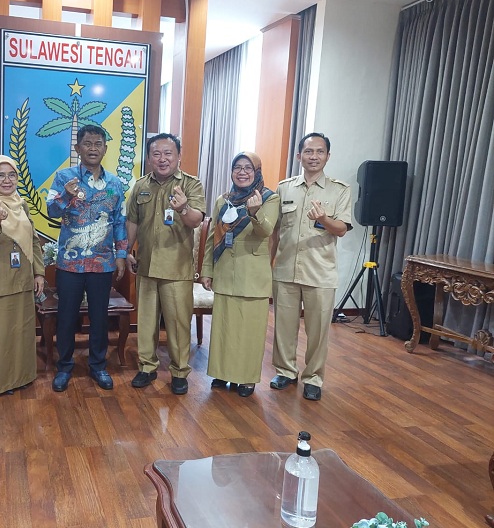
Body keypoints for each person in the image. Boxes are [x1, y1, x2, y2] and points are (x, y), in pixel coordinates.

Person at [270, 132, 352, 401]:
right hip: (285, 268)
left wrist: (325, 219)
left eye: (319, 152)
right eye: (308, 151)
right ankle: (286, 371)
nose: (313, 156)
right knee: (284, 325)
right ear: (299, 156)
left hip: (320, 270)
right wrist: (269, 262)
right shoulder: (285, 188)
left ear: (328, 156)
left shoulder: (340, 190)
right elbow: (276, 230)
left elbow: (341, 229)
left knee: (317, 330)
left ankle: (313, 377)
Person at [46, 124, 128, 392]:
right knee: (67, 315)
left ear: (105, 148)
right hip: (70, 262)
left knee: (99, 316)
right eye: (88, 143)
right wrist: (66, 196)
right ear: (78, 148)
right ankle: (65, 365)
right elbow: (52, 211)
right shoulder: (63, 177)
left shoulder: (115, 184)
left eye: (98, 144)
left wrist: (121, 255)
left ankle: (98, 365)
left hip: (102, 262)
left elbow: (119, 221)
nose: (93, 148)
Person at [126, 133, 206, 395]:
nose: (162, 159)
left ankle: (180, 371)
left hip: (176, 268)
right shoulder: (140, 186)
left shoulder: (191, 185)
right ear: (149, 158)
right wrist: (126, 250)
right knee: (146, 321)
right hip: (146, 264)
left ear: (178, 156)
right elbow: (133, 222)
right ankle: (147, 367)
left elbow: (196, 221)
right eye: (156, 154)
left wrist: (183, 208)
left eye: (168, 153)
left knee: (178, 323)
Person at [199, 152, 279, 397]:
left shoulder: (269, 198)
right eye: (237, 167)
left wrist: (254, 213)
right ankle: (222, 373)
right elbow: (214, 237)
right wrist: (206, 270)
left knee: (249, 330)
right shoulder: (224, 200)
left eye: (248, 168)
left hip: (252, 274)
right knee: (224, 327)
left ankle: (245, 379)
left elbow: (266, 231)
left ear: (257, 172)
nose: (242, 172)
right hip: (224, 271)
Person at [0, 155, 45, 397]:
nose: (7, 180)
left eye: (11, 174)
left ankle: (20, 378)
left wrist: (39, 273)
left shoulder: (21, 204)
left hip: (23, 278)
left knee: (20, 332)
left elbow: (34, 240)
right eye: (0, 175)